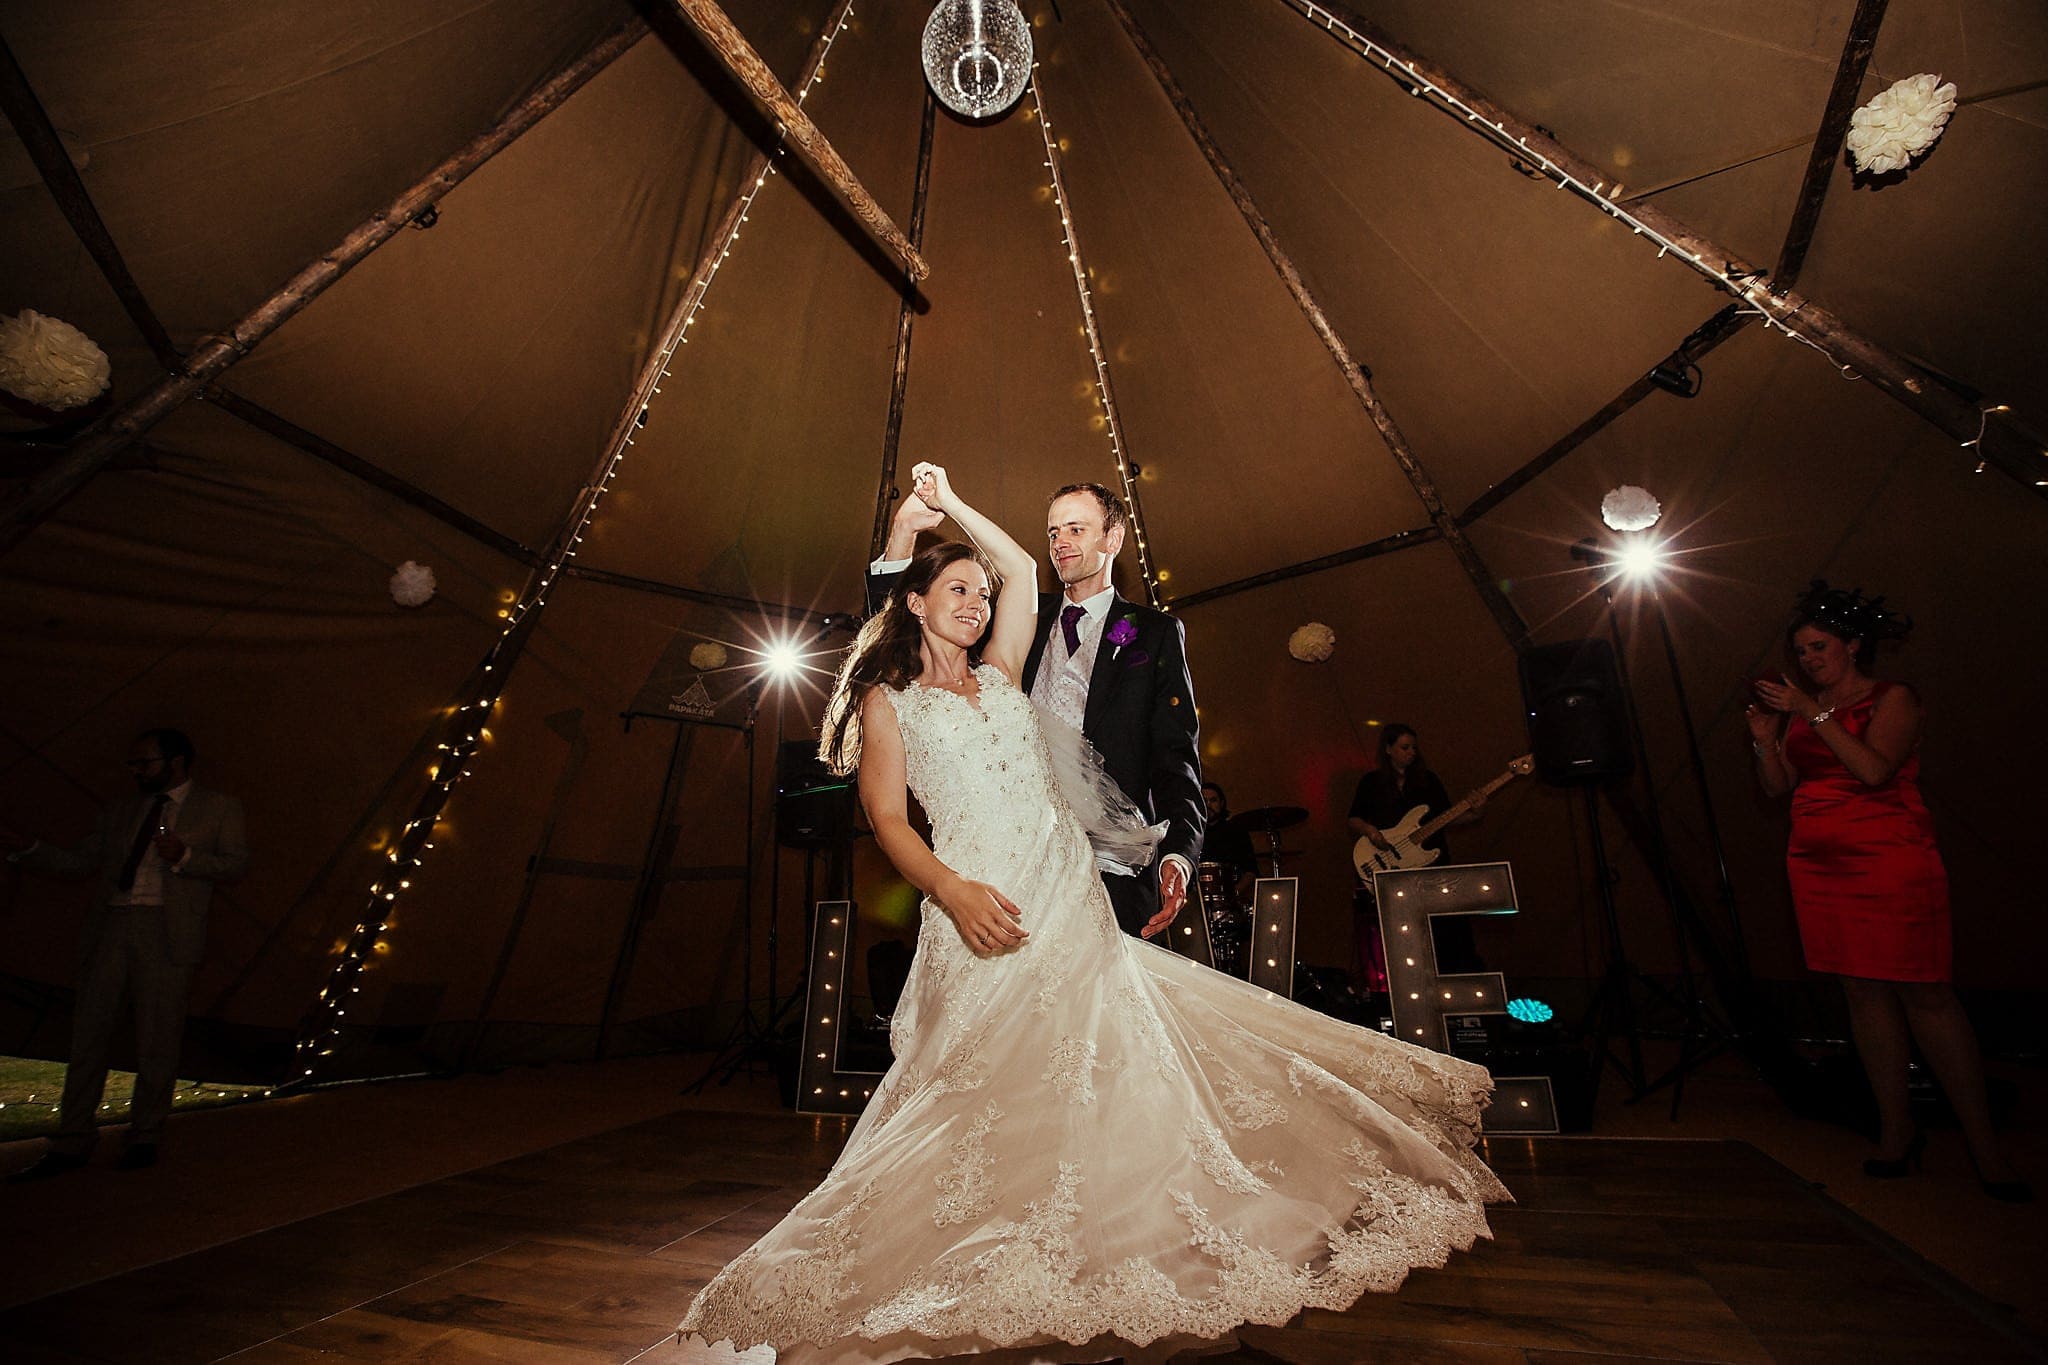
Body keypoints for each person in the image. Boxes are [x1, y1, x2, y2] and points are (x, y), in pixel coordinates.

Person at [679, 465, 1506, 1364]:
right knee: (981, 1089)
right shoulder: (892, 700)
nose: (976, 600)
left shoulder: (1004, 671)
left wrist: (953, 505)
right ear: (916, 603)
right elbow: (885, 818)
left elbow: (1029, 590)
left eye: (979, 592)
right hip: (977, 903)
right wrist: (952, 893)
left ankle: (1108, 1245)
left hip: (1066, 887)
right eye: (954, 590)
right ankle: (997, 1248)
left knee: (1098, 1069)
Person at [1748, 582, 2027, 1202]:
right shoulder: (1806, 706)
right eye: (1801, 650)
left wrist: (1812, 713)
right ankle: (1896, 1133)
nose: (1809, 659)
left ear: (1852, 645)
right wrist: (1768, 740)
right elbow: (1777, 789)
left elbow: (1874, 770)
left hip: (1888, 857)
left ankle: (1985, 1145)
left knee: (1926, 993)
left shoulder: (1891, 697)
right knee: (1862, 993)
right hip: (1818, 864)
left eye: (1819, 647)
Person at [868, 477, 1202, 940]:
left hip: (1114, 865)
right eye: (1053, 533)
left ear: (1114, 538)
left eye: (1076, 530)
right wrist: (902, 536)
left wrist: (1179, 853)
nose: (1060, 543)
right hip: (1005, 863)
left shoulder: (1156, 632)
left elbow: (1175, 754)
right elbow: (902, 638)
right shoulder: (1013, 620)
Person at [3, 728, 248, 1179]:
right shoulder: (120, 810)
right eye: (133, 764)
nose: (136, 772)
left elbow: (235, 864)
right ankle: (73, 1138)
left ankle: (145, 1135)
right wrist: (30, 849)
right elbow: (81, 862)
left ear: (175, 762)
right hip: (112, 925)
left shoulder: (218, 807)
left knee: (157, 1035)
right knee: (89, 1032)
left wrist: (185, 855)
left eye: (145, 763)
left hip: (167, 931)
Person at [1347, 724, 1483, 981]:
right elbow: (1353, 818)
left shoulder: (1428, 781)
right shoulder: (1372, 782)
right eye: (1404, 747)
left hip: (1429, 867)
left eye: (1414, 748)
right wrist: (1372, 832)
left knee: (1445, 930)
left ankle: (1452, 979)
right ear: (1388, 749)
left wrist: (1476, 812)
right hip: (1392, 868)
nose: (1411, 753)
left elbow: (1447, 818)